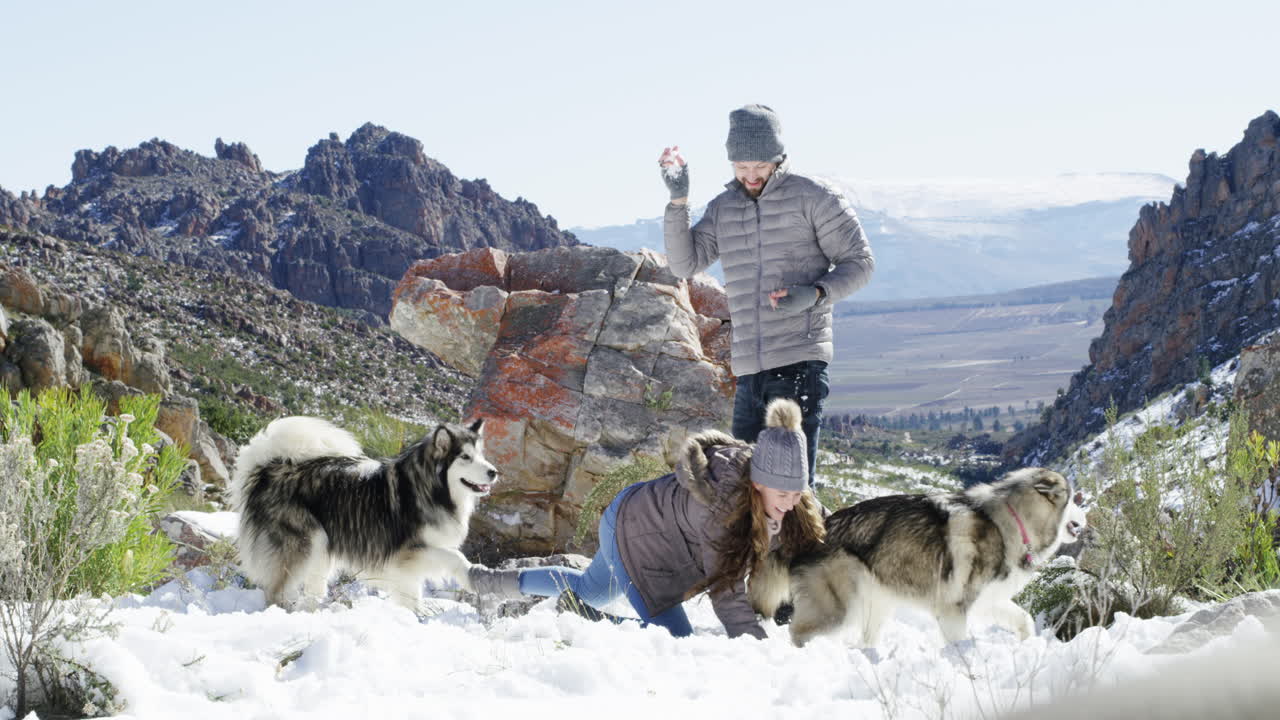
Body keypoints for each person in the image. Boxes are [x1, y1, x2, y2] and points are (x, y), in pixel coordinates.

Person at [467, 398, 825, 639]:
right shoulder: (723, 507)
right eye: (783, 495)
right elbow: (726, 590)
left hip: (635, 514)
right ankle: (591, 620)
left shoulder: (784, 491)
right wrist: (757, 650)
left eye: (798, 493)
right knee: (674, 642)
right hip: (637, 539)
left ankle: (489, 583)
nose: (792, 503)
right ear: (759, 483)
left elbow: (829, 527)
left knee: (590, 589)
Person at [659, 104, 874, 487]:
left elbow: (860, 263)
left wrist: (815, 293)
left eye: (759, 165)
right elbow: (684, 264)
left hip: (799, 365)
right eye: (741, 166)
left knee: (791, 490)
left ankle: (802, 548)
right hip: (748, 373)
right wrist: (678, 202)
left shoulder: (815, 198)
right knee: (740, 487)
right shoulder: (724, 208)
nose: (751, 175)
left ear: (777, 157)